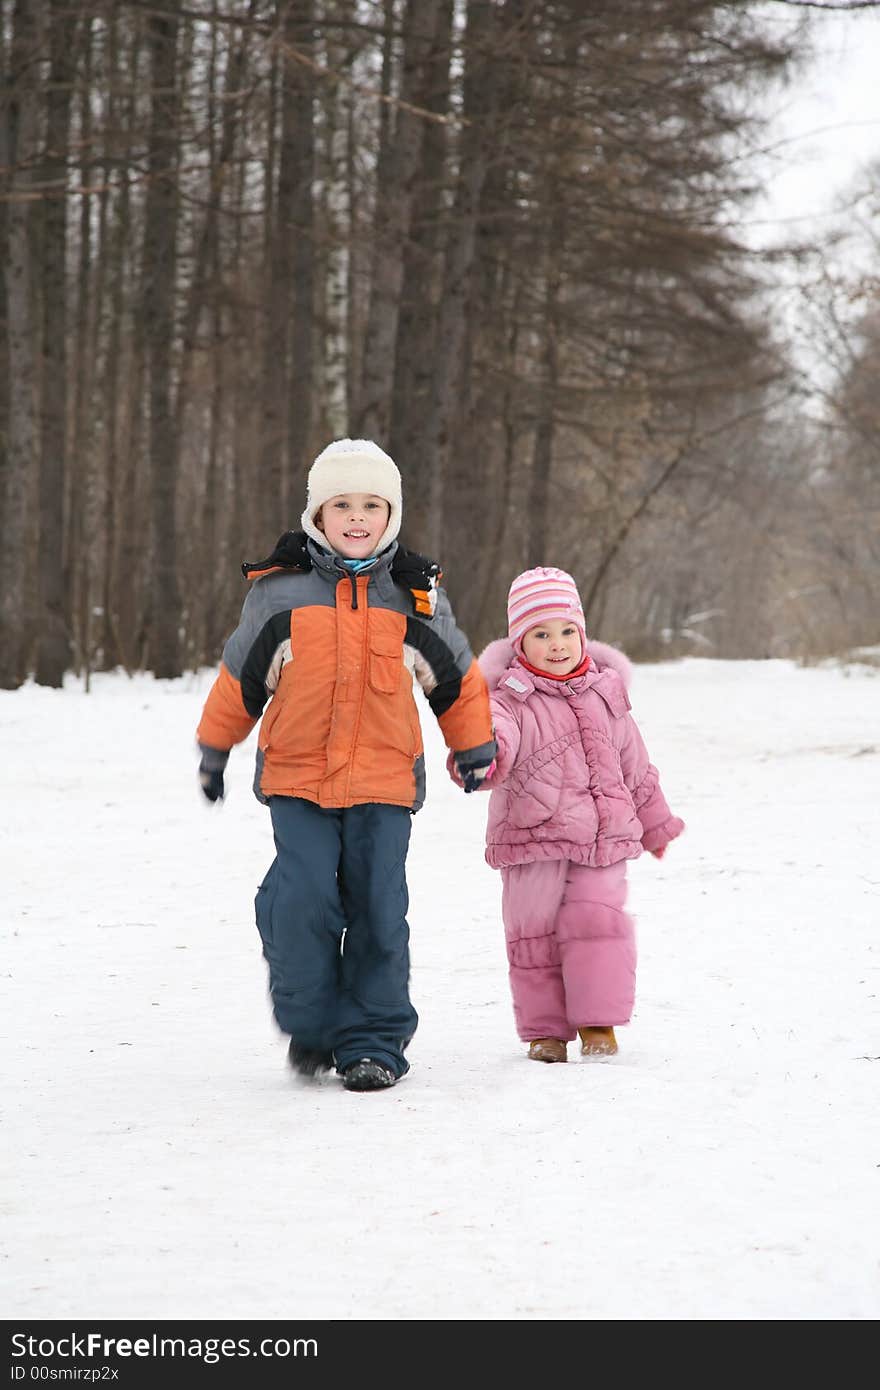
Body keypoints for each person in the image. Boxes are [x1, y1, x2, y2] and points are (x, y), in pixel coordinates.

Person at [196, 438, 496, 1091]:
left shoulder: (415, 595)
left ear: (391, 515)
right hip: (298, 780)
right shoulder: (279, 594)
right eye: (342, 504)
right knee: (302, 898)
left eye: (371, 504)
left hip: (385, 782)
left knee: (379, 910)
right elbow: (240, 677)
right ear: (317, 514)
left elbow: (455, 678)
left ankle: (372, 1041)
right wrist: (215, 747)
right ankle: (312, 1022)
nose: (357, 517)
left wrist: (473, 745)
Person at [453, 566, 683, 1063]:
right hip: (532, 839)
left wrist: (656, 824)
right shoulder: (508, 698)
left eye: (565, 632)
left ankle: (597, 1021)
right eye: (540, 634)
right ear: (519, 643)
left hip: (602, 841)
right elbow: (494, 736)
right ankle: (546, 1030)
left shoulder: (607, 693)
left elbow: (636, 767)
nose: (556, 644)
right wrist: (481, 756)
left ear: (582, 634)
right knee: (533, 933)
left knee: (598, 922)